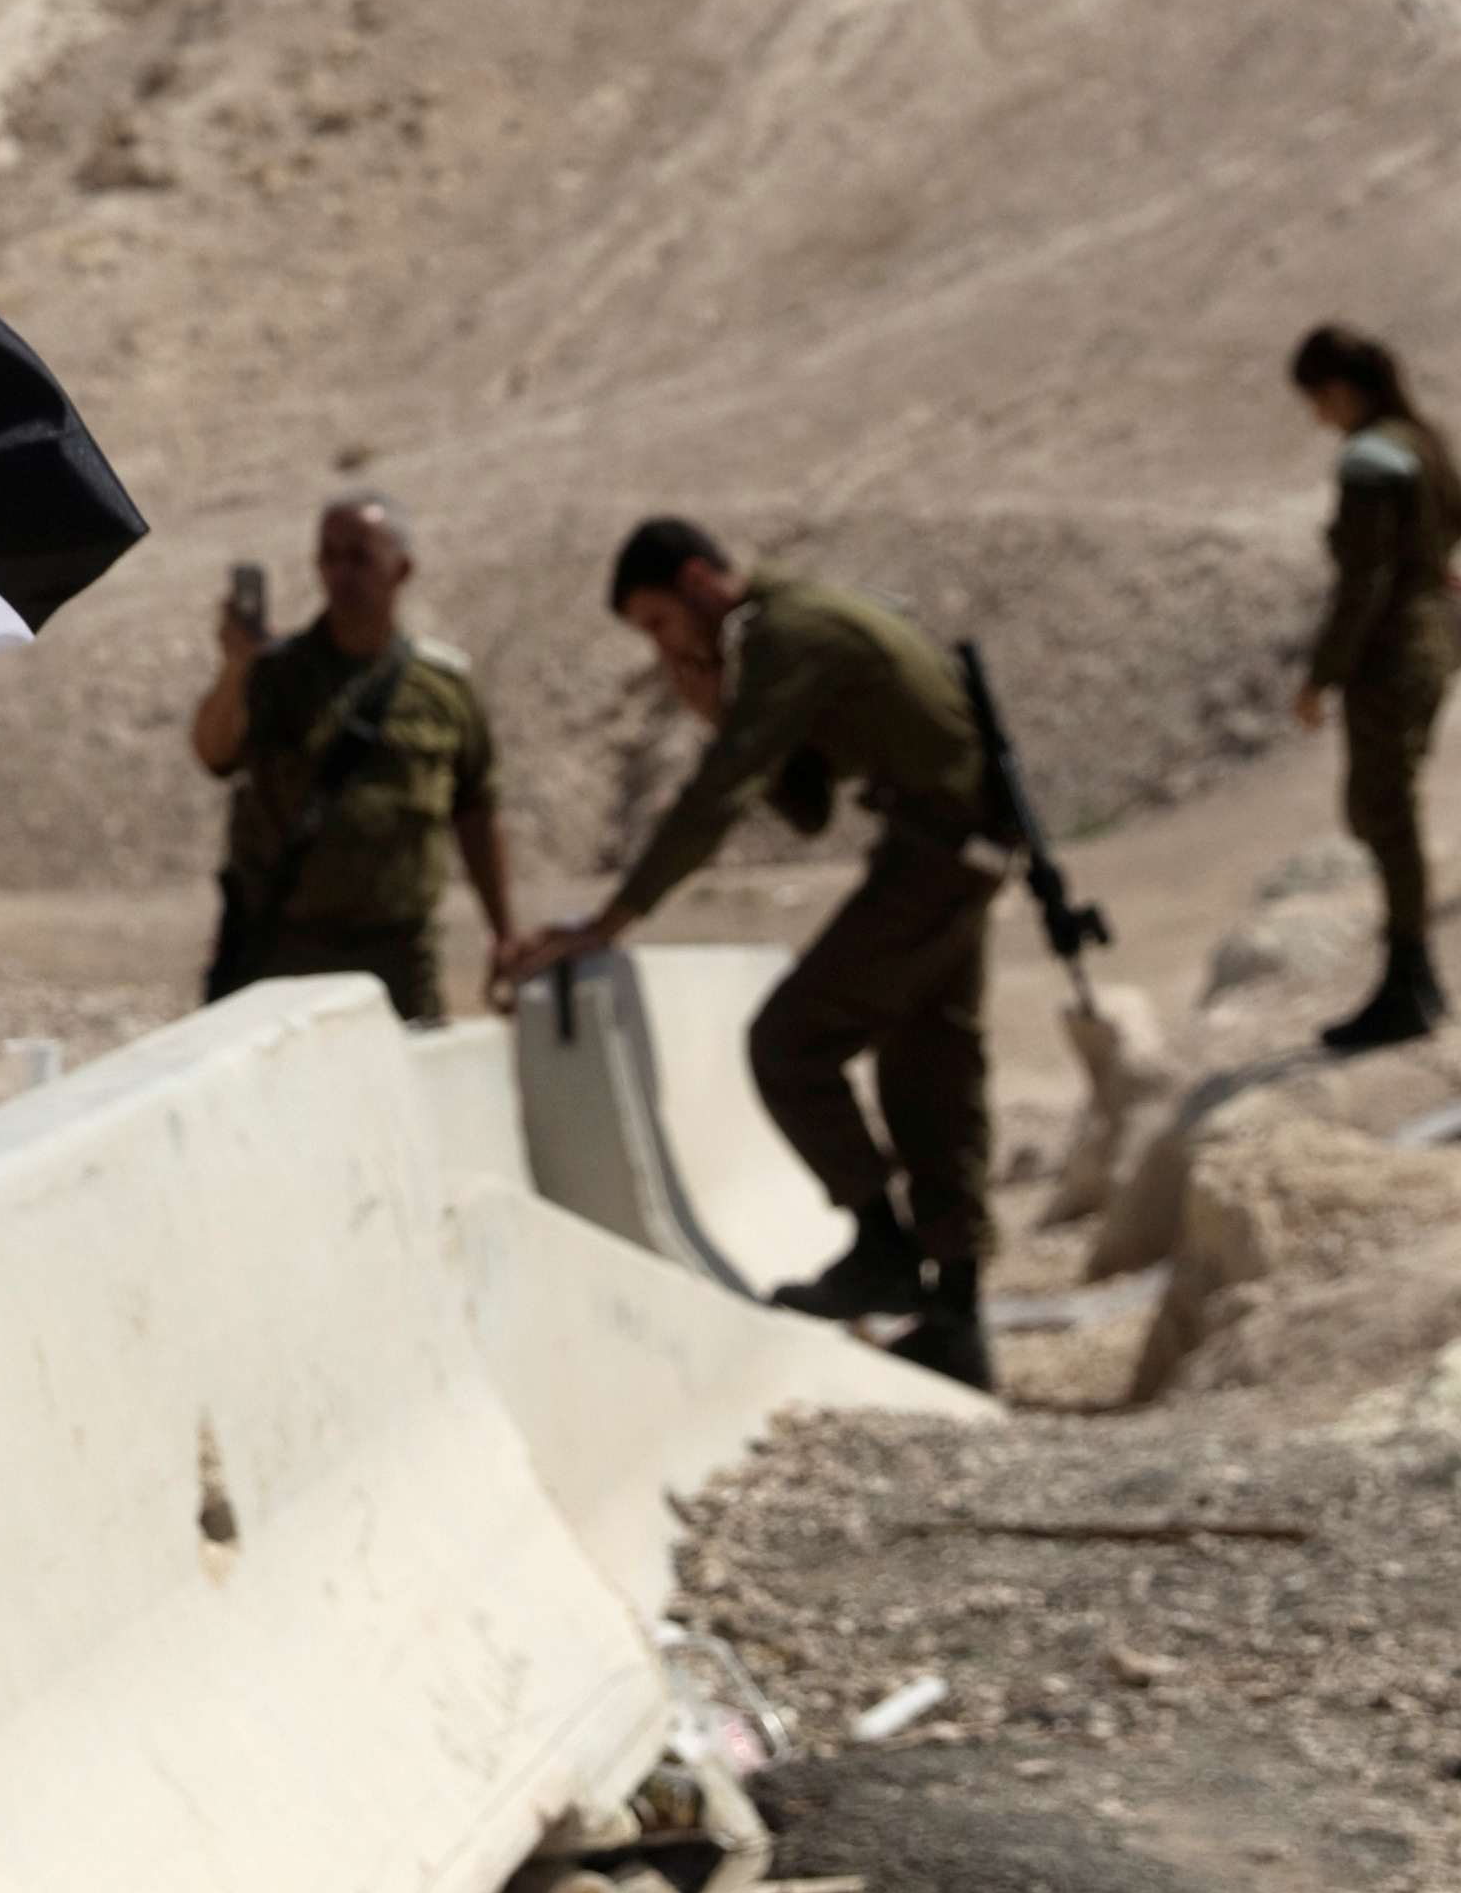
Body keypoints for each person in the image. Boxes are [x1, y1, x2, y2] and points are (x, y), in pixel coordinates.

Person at [503, 518, 1000, 1393]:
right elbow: (806, 805)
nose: (665, 646)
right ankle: (956, 1321)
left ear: (698, 581)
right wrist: (718, 704)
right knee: (931, 1066)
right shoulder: (779, 632)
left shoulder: (787, 631)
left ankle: (884, 1252)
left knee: (790, 1042)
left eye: (660, 623)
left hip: (938, 852)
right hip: (953, 849)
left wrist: (611, 920)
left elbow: (718, 795)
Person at [188, 489, 515, 1026]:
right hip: (281, 948)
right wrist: (234, 669)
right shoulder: (276, 671)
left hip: (398, 956)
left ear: (401, 568)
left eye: (359, 556)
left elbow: (478, 810)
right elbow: (214, 754)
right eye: (329, 555)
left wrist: (503, 932)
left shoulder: (443, 688)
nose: (342, 573)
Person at [1285, 321, 1461, 1057]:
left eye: (1317, 402)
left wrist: (1319, 678)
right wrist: (1431, 565)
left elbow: (1361, 585)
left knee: (1385, 817)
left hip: (1390, 658)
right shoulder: (1421, 437)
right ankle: (1413, 974)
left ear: (1335, 390)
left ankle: (1409, 980)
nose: (1318, 419)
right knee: (1384, 812)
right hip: (1432, 645)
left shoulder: (1370, 462)